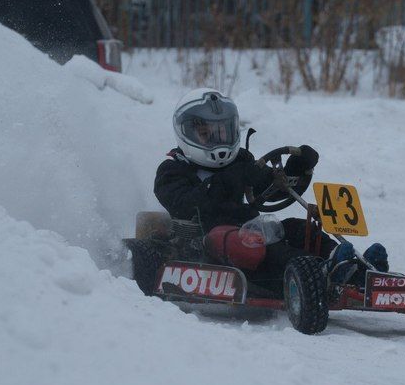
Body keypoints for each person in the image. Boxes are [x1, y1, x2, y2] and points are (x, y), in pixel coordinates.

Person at [154, 88, 387, 286]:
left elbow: (273, 189)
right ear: (186, 133)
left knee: (297, 228)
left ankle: (350, 267)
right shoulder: (171, 170)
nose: (218, 140)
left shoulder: (240, 161)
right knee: (254, 246)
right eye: (207, 134)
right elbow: (186, 205)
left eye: (222, 132)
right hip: (208, 242)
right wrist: (226, 180)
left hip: (250, 230)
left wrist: (297, 169)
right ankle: (318, 272)